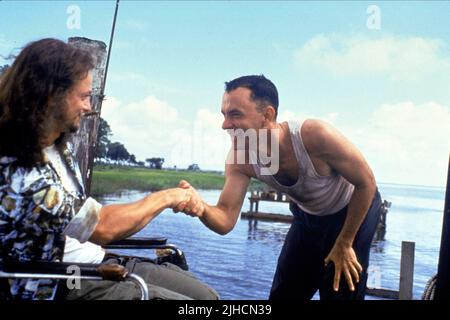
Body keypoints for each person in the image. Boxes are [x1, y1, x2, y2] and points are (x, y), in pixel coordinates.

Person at [0, 38, 218, 300]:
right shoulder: (22, 174)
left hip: (99, 260)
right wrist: (169, 197)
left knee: (206, 298)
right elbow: (102, 226)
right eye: (82, 96)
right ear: (50, 95)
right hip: (58, 282)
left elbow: (97, 225)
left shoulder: (59, 147)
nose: (88, 107)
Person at [174, 75, 382, 300]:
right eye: (224, 115)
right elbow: (225, 219)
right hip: (308, 215)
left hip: (353, 209)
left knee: (339, 290)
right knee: (284, 293)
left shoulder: (313, 135)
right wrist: (201, 208)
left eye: (235, 114)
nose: (225, 125)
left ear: (267, 115)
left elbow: (366, 183)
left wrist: (345, 242)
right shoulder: (240, 159)